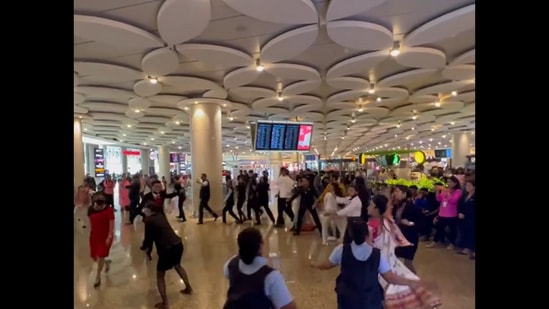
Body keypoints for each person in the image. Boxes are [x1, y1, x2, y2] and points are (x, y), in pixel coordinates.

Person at [310, 219, 421, 309]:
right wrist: (410, 282)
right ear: (367, 235)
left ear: (350, 234)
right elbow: (390, 278)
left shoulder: (341, 250)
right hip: (370, 300)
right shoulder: (377, 255)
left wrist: (314, 264)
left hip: (347, 298)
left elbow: (327, 265)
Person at [367, 195, 441, 309]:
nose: (368, 207)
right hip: (391, 262)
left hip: (380, 266)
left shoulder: (372, 226)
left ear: (377, 209)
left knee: (387, 295)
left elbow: (368, 248)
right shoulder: (388, 223)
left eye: (371, 205)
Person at [223, 227, 297, 309]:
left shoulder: (231, 263)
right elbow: (288, 307)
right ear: (260, 246)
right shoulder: (271, 277)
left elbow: (228, 274)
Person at [141, 201, 193, 309]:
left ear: (150, 210)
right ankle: (188, 288)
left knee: (160, 276)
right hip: (178, 244)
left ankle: (165, 303)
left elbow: (148, 240)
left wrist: (145, 249)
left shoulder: (149, 220)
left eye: (145, 208)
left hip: (166, 249)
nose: (143, 210)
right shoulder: (160, 215)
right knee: (178, 266)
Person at [88, 192, 114, 287]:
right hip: (94, 236)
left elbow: (111, 224)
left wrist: (109, 236)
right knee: (94, 257)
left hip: (105, 237)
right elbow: (90, 223)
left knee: (100, 257)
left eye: (101, 200)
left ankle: (97, 277)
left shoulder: (109, 209)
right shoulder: (91, 209)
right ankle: (107, 262)